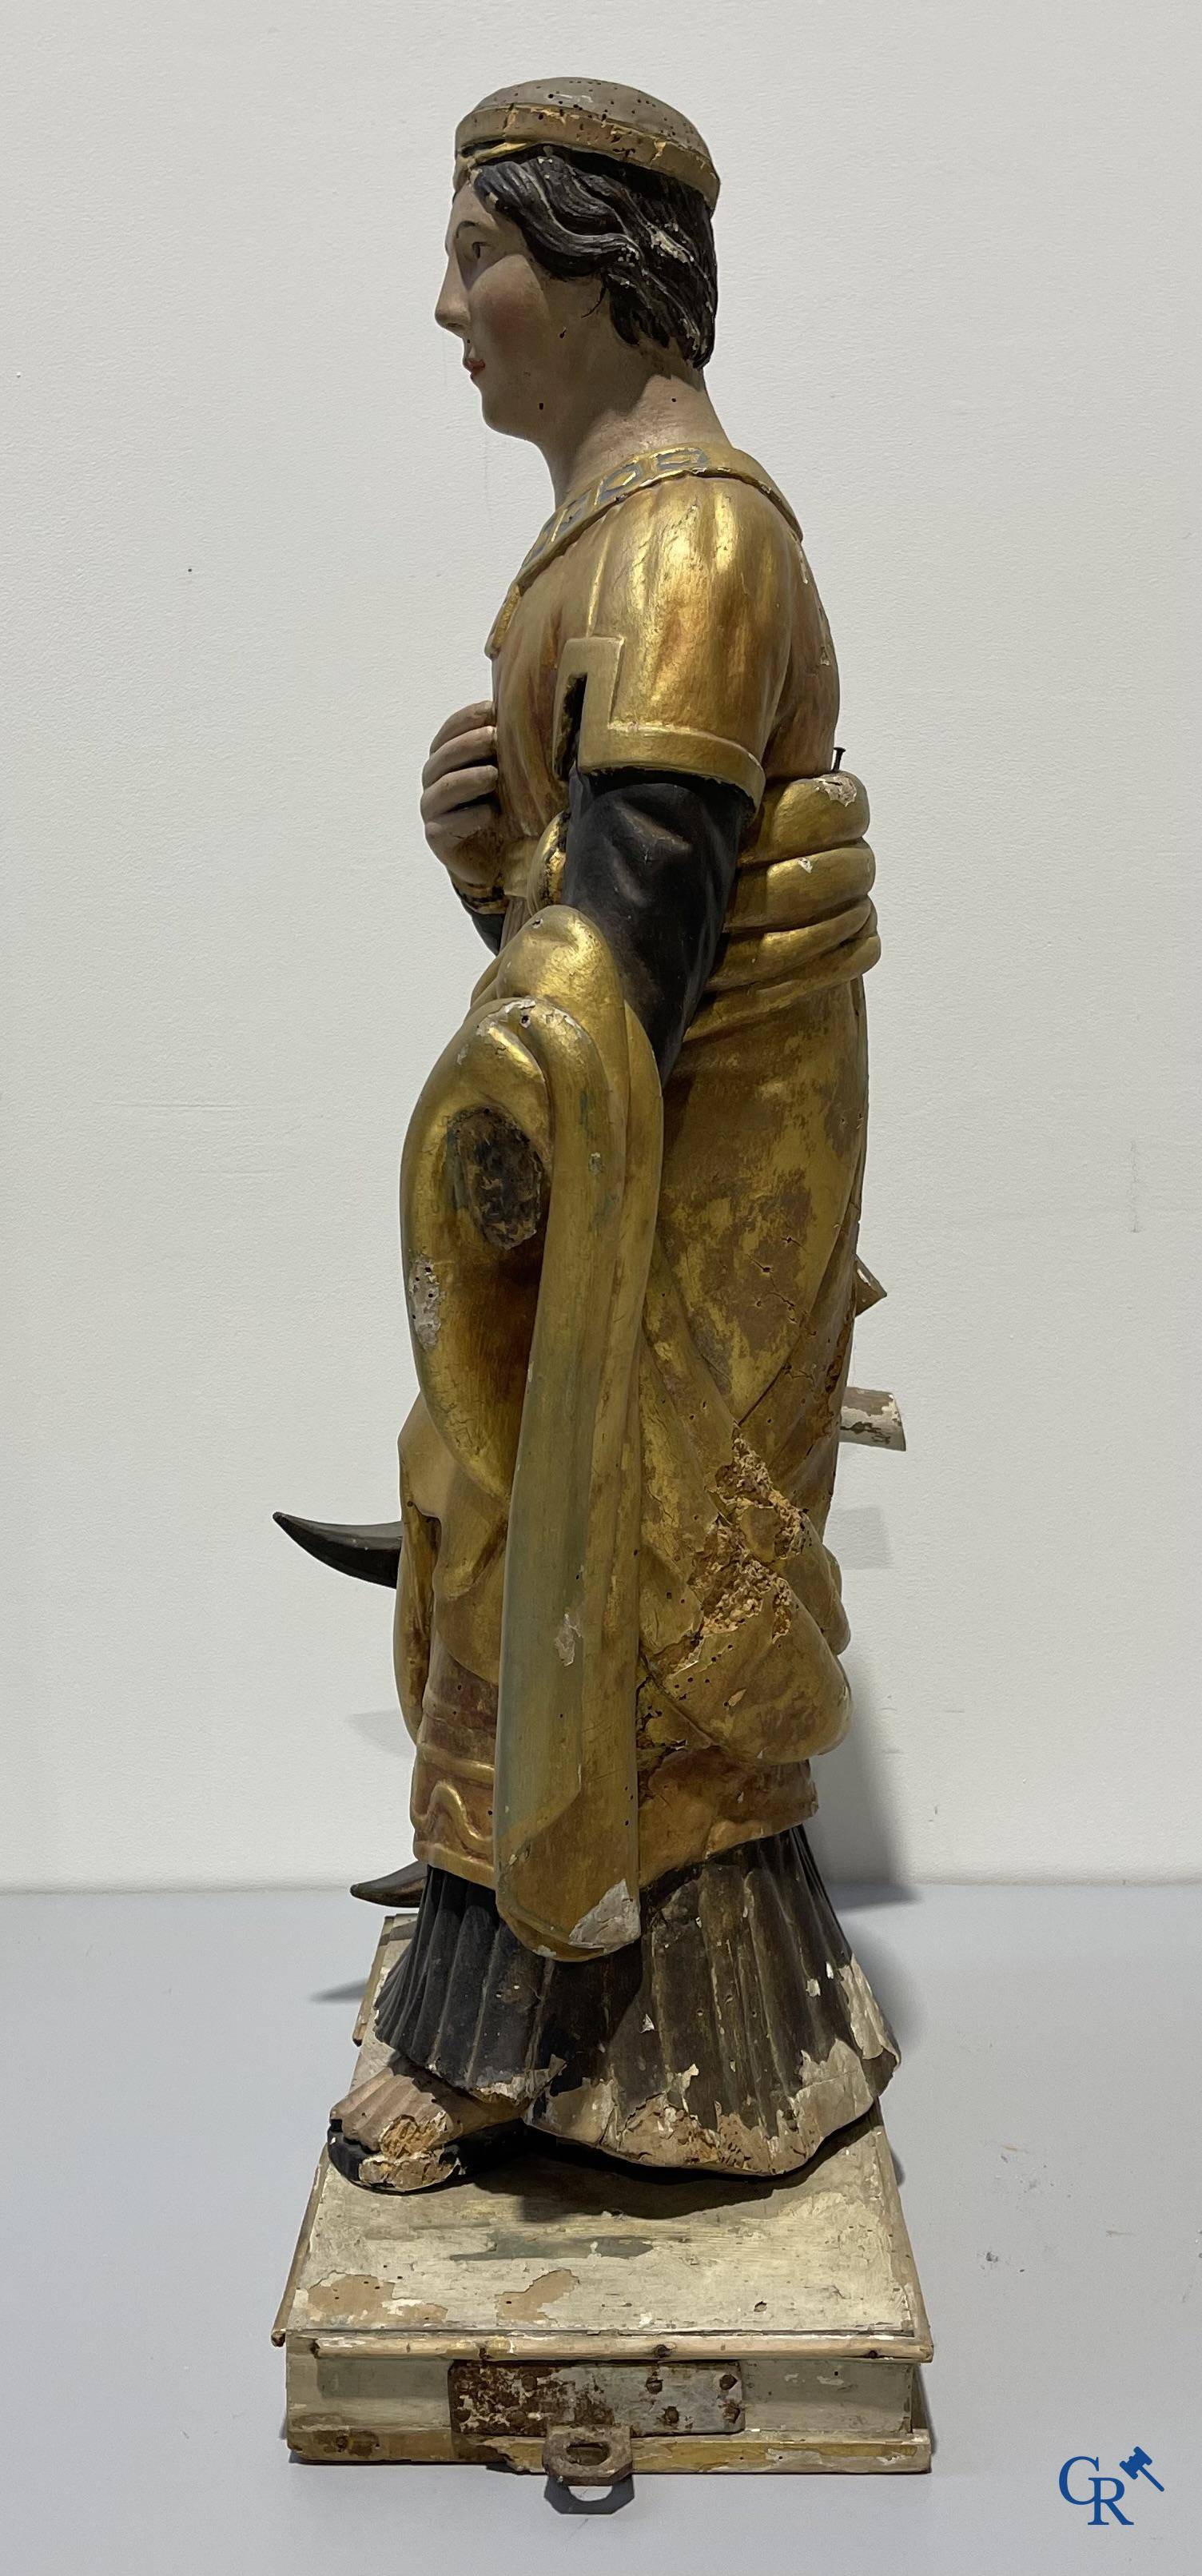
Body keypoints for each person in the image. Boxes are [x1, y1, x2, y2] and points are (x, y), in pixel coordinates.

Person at [327, 80, 898, 2192]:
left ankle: (562, 2026)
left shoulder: (689, 538)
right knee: (549, 1532)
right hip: (642, 1136)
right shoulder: (611, 533)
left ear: (603, 268)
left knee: (600, 1554)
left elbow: (639, 940)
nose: (445, 306)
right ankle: (624, 2007)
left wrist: (498, 1151)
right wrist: (493, 869)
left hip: (687, 1179)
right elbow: (604, 918)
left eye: (477, 255)